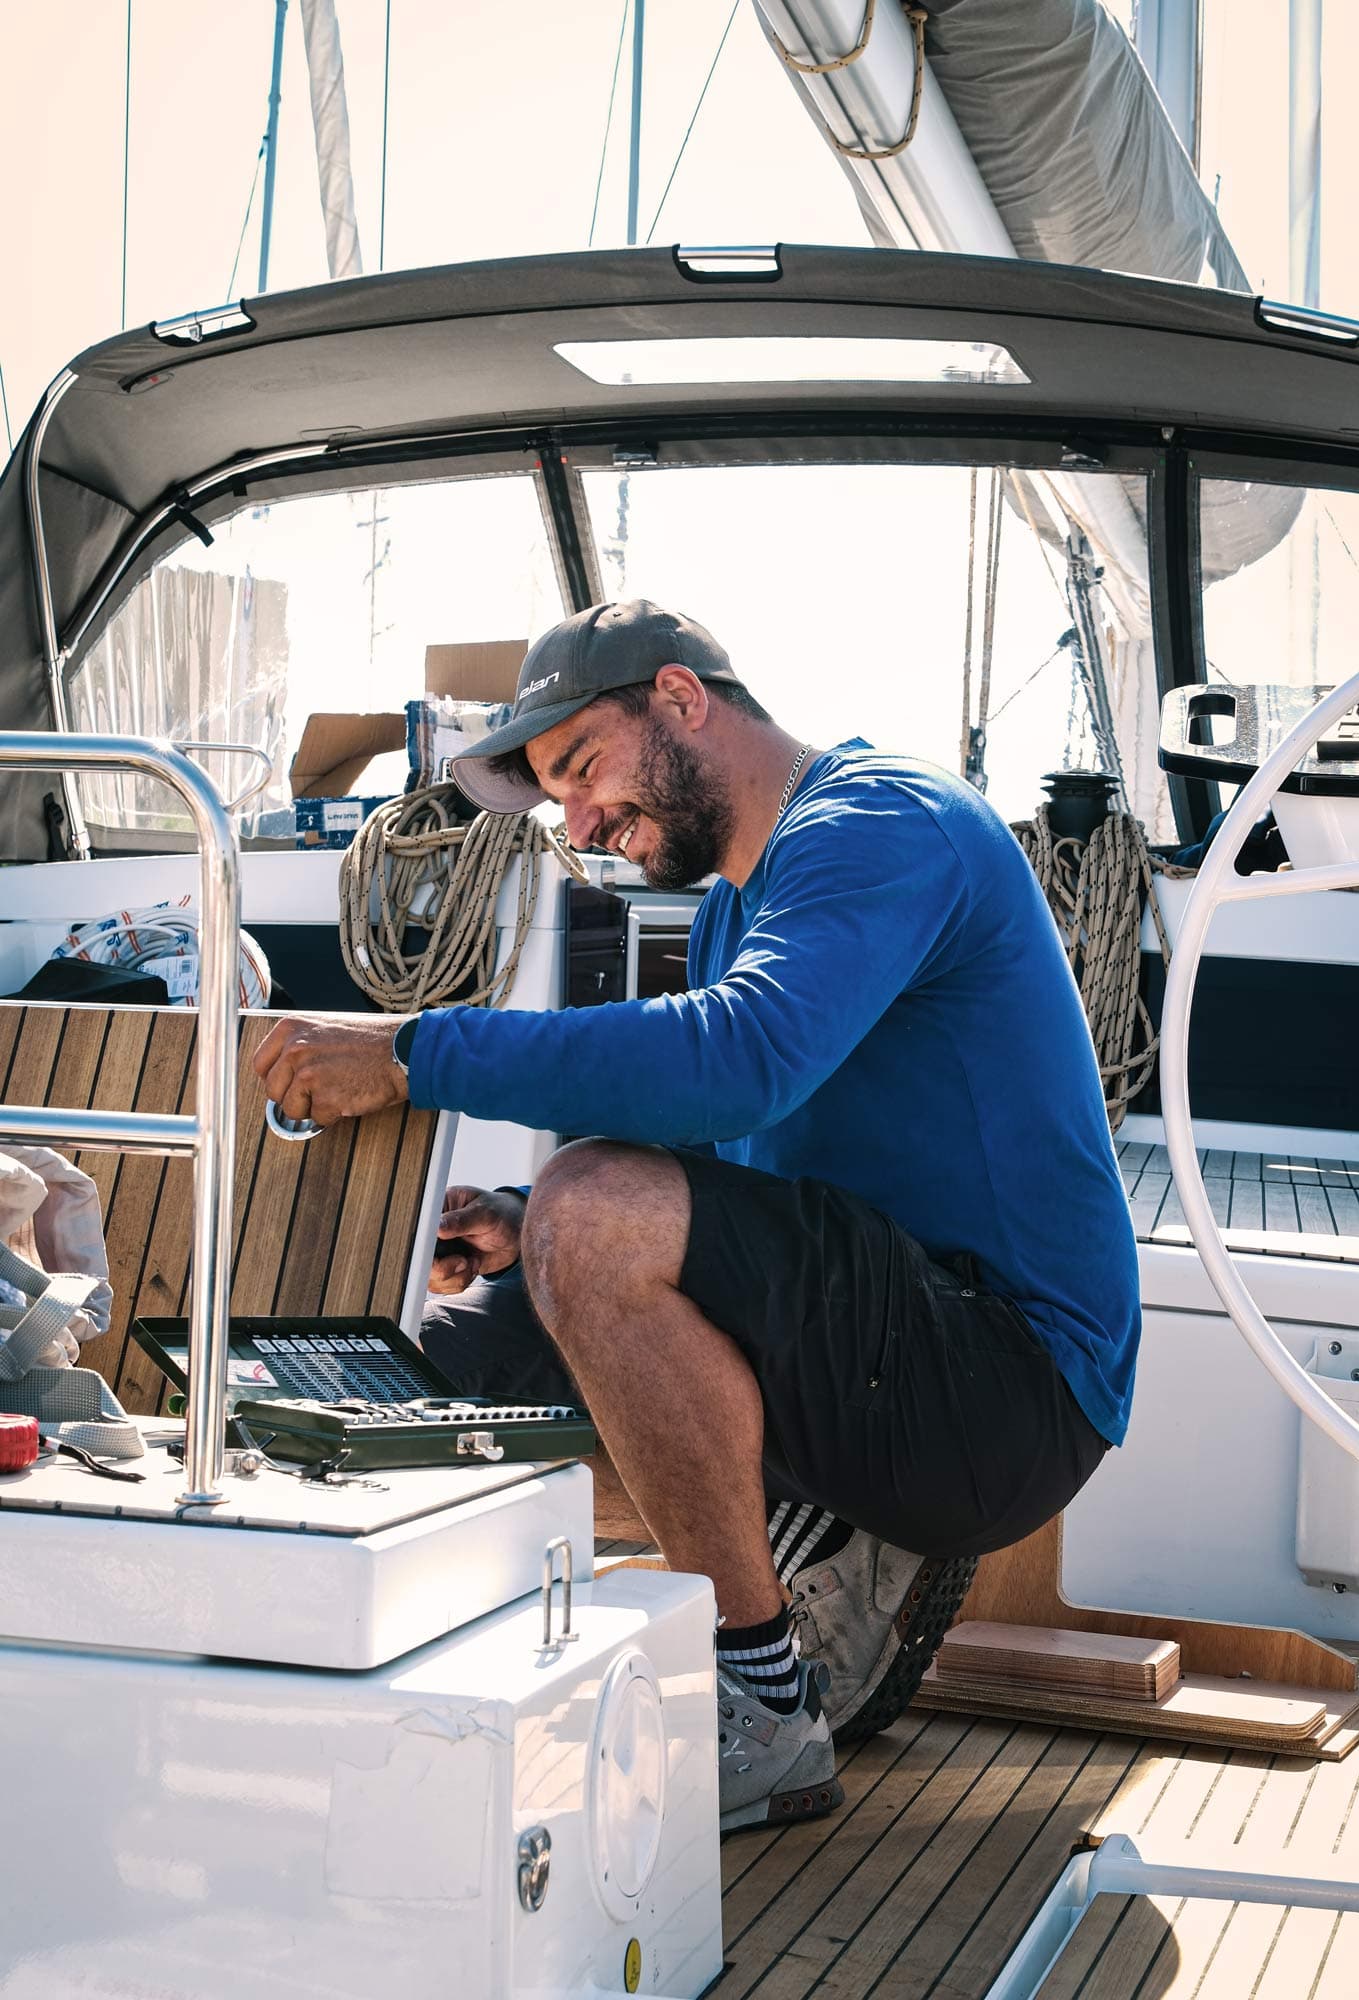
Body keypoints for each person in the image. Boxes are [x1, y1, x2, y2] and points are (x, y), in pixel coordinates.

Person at [253, 598, 1139, 1833]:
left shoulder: (883, 822)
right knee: (441, 1355)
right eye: (557, 799)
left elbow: (740, 1062)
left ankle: (758, 1697)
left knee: (595, 1205)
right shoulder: (735, 901)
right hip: (882, 1344)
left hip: (1006, 1380)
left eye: (581, 770)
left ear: (678, 698)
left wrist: (413, 1051)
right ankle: (291, 1644)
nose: (579, 824)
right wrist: (519, 1220)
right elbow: (732, 1154)